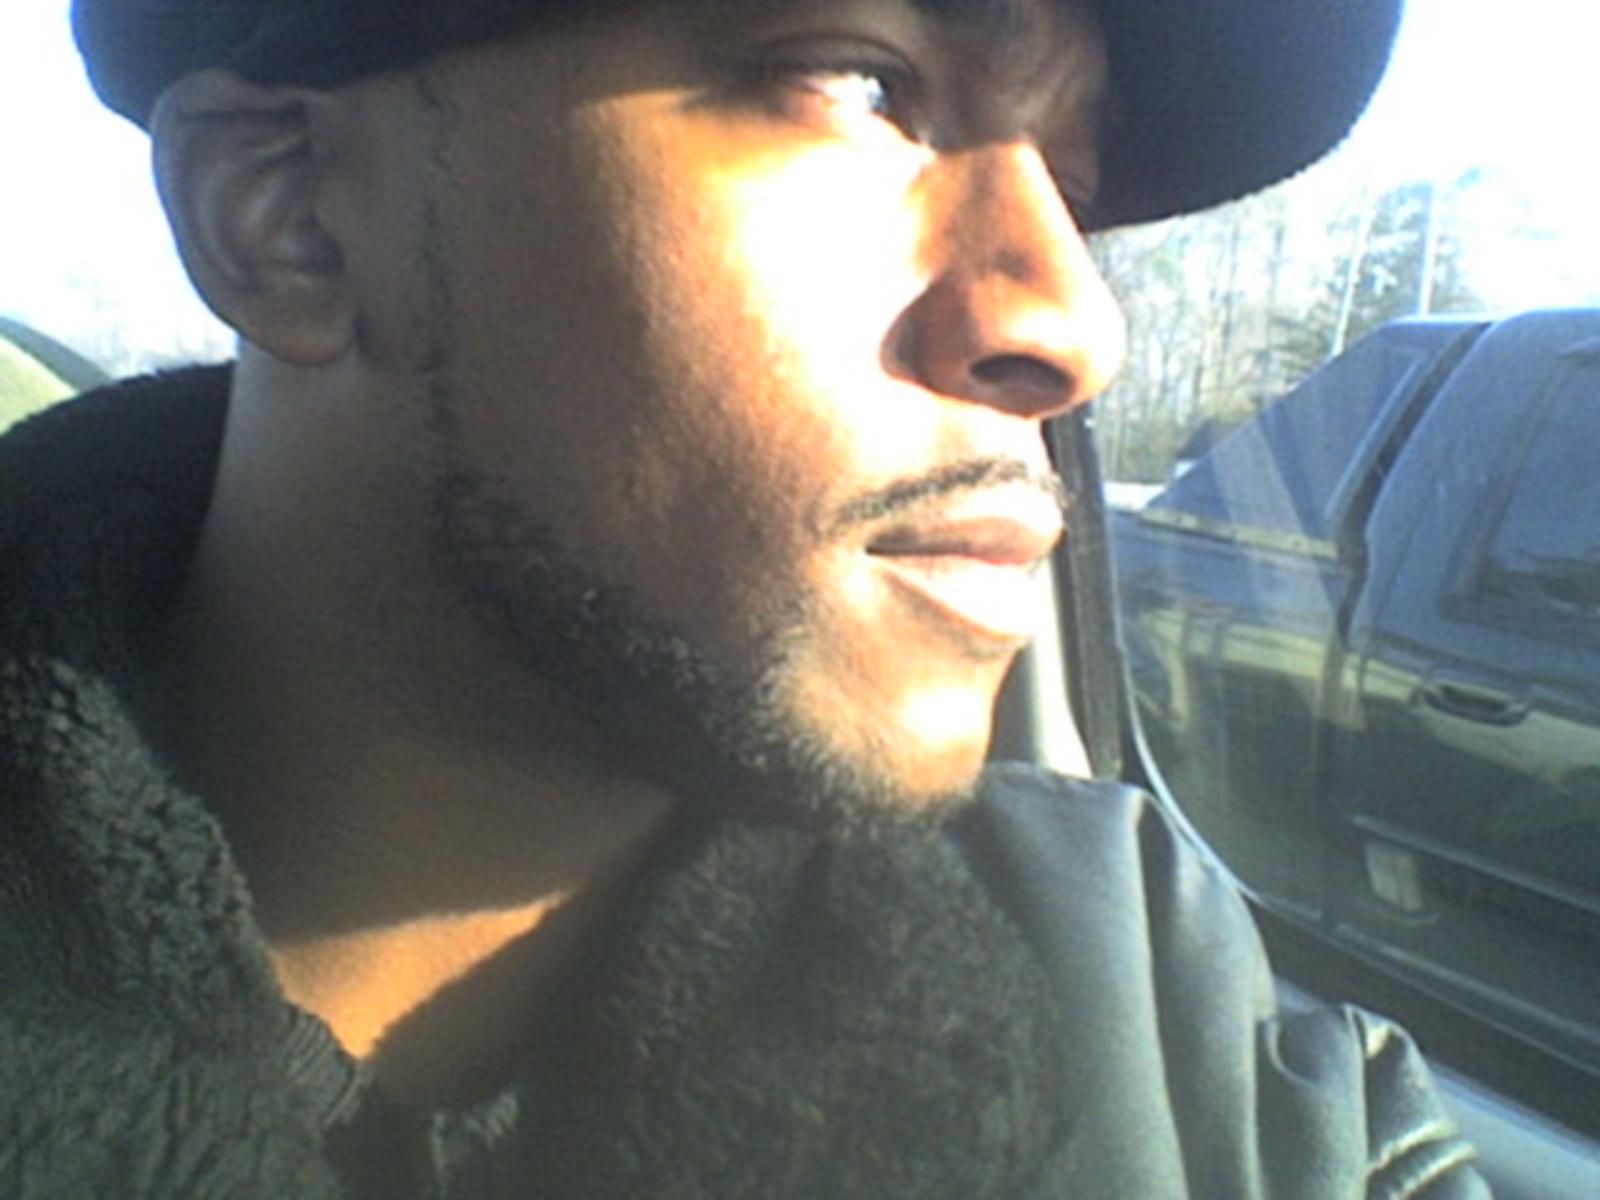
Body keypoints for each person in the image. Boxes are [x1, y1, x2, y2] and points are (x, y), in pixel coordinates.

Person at [0, 0, 1489, 1195]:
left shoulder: (1150, 985)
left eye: (1072, 187)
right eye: (862, 81)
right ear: (288, 217)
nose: (1074, 325)